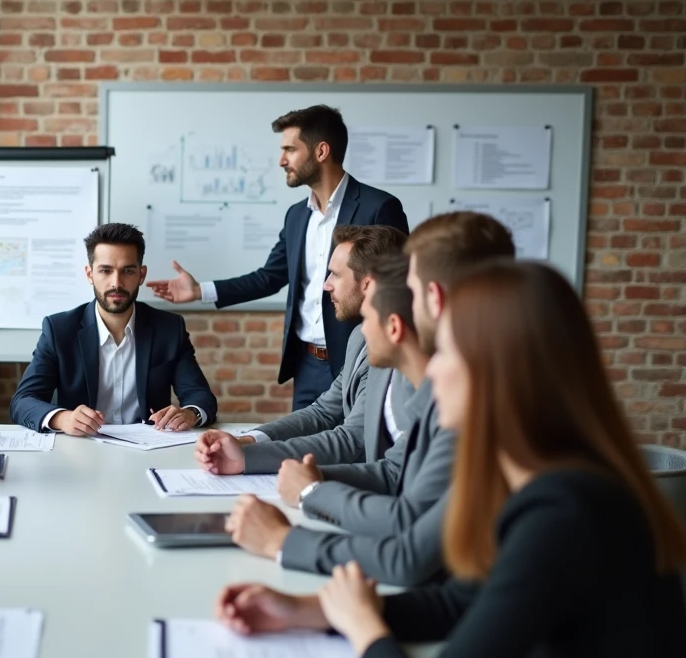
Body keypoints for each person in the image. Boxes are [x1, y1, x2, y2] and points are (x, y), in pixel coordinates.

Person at [215, 261, 686, 658]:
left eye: (448, 353)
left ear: (497, 372)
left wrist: (363, 627)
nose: (431, 370)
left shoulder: (564, 513)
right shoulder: (546, 482)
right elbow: (461, 604)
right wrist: (311, 612)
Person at [220, 212, 515, 586]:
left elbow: (408, 543)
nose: (400, 296)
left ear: (432, 298)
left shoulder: (465, 393)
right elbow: (395, 471)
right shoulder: (394, 353)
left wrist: (301, 509)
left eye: (409, 283)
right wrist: (296, 473)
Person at [148, 105, 410, 410]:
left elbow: (395, 287)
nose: (281, 160)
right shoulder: (297, 216)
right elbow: (270, 276)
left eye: (289, 149)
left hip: (359, 359)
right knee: (301, 449)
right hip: (306, 364)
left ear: (321, 151)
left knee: (351, 451)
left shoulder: (379, 208)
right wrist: (199, 291)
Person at [226, 253, 455, 563]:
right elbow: (393, 471)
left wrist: (308, 497)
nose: (363, 329)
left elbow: (407, 545)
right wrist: (304, 476)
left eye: (369, 316)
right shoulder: (373, 351)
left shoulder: (453, 404)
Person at [196, 224, 412, 475]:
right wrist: (250, 441)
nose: (326, 285)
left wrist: (247, 458)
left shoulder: (395, 347)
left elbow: (354, 438)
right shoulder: (359, 336)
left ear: (367, 284)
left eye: (336, 275)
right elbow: (322, 412)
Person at [9, 223, 218, 435]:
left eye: (127, 271)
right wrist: (63, 419)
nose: (116, 283)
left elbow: (200, 396)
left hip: (149, 450)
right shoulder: (59, 329)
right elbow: (23, 401)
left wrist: (191, 413)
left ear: (141, 275)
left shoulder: (169, 328)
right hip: (81, 448)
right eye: (105, 271)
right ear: (90, 274)